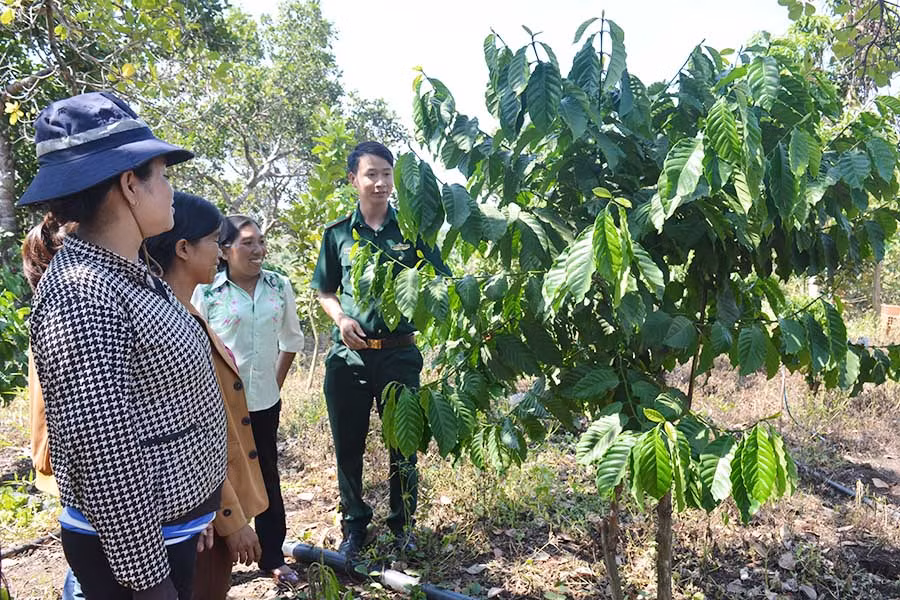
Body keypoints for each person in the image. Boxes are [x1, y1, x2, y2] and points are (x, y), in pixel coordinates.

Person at [17, 92, 227, 600]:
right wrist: (149, 580)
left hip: (164, 532)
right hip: (131, 559)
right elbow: (104, 451)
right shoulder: (83, 292)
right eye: (163, 173)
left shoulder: (131, 271)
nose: (171, 189)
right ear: (131, 184)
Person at [311, 141, 450, 559]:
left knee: (403, 446)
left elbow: (442, 281)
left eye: (387, 174)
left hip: (398, 354)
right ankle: (354, 526)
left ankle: (403, 524)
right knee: (347, 445)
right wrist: (341, 319)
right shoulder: (337, 234)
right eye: (371, 174)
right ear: (354, 179)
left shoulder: (413, 233)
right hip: (348, 358)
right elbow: (325, 290)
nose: (380, 183)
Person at [143, 193, 270, 599]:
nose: (219, 254)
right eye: (215, 241)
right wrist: (229, 517)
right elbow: (195, 437)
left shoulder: (184, 312)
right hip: (199, 516)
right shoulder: (171, 326)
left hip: (204, 509)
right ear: (183, 249)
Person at [191, 216, 304, 586]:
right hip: (217, 405)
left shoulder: (278, 285)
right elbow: (196, 346)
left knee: (266, 476)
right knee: (217, 477)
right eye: (248, 243)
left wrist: (274, 384)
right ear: (225, 251)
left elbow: (291, 341)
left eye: (261, 242)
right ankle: (215, 564)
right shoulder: (206, 292)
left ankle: (272, 555)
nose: (258, 250)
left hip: (264, 403)